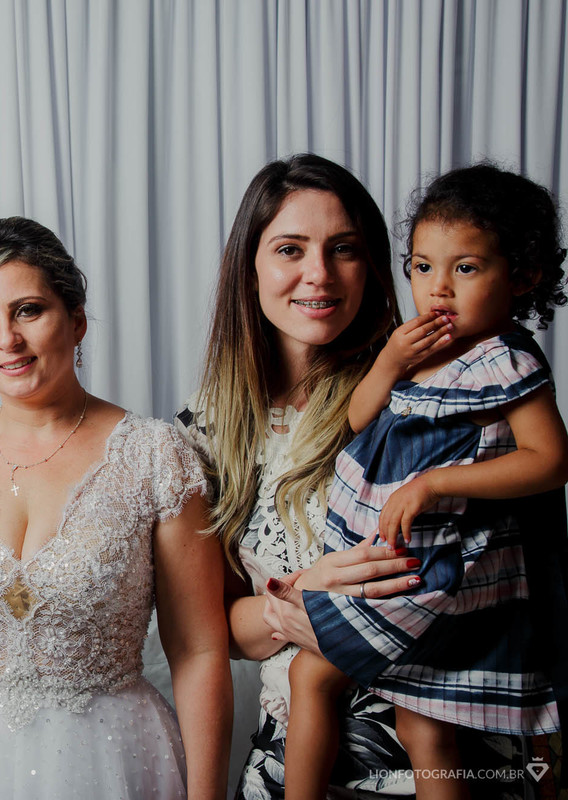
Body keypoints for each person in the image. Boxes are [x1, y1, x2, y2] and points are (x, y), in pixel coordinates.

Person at [0, 216, 232, 799]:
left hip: (109, 762)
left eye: (28, 311)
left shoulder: (155, 456)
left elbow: (199, 651)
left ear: (76, 320)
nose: (6, 339)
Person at [281, 164, 568, 800]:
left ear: (522, 276)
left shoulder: (504, 359)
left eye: (465, 268)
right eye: (421, 266)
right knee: (397, 713)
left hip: (439, 573)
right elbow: (359, 420)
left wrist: (435, 482)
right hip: (392, 557)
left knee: (343, 688)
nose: (438, 287)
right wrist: (389, 362)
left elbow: (550, 460)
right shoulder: (415, 347)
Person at [174, 153, 424, 798]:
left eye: (344, 249)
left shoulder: (421, 391)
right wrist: (300, 598)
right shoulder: (204, 429)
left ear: (372, 266)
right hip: (292, 758)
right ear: (249, 266)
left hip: (438, 745)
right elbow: (212, 634)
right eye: (291, 249)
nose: (320, 274)